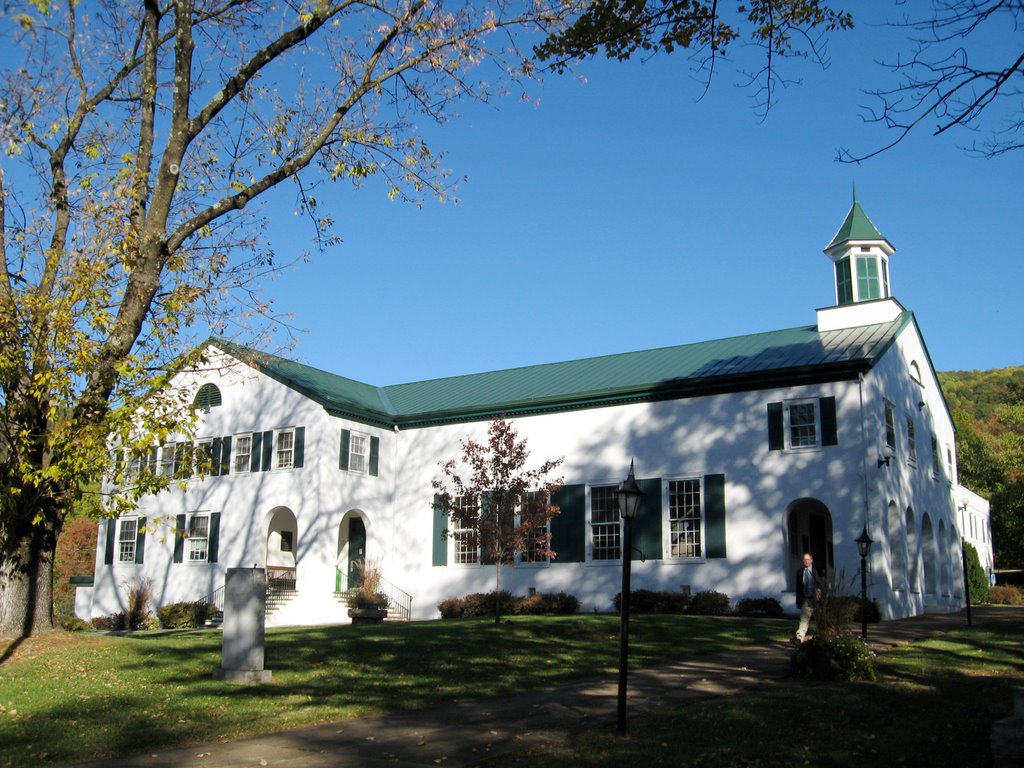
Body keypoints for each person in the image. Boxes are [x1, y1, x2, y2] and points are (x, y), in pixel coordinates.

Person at [794, 552, 819, 643]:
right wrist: (798, 601)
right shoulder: (799, 572)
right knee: (804, 619)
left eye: (808, 559)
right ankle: (799, 638)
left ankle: (823, 638)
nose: (806, 561)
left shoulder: (816, 571)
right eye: (805, 559)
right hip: (806, 599)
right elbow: (798, 587)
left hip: (816, 599)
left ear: (811, 561)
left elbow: (821, 584)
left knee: (820, 620)